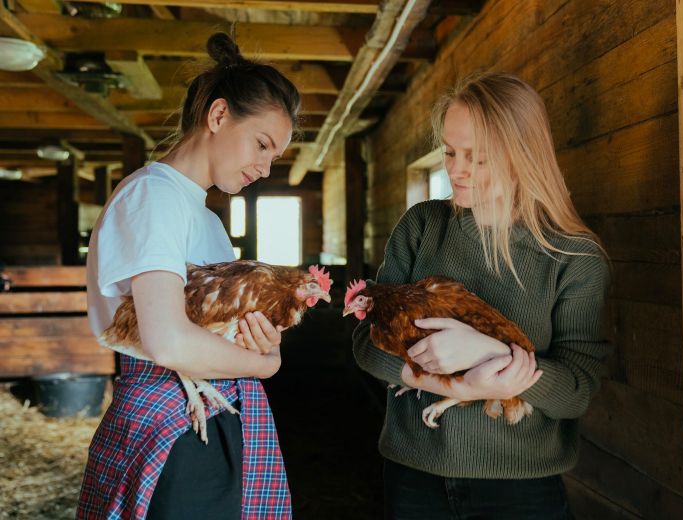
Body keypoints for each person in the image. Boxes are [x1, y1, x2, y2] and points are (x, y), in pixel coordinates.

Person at [352, 72, 611, 519]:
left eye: (478, 157)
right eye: (450, 152)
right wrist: (456, 384)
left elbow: (576, 392)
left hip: (520, 491)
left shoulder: (573, 257)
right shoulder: (422, 226)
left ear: (522, 156)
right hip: (414, 477)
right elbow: (367, 347)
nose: (456, 169)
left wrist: (490, 353)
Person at [79, 33, 299, 519]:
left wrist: (261, 342)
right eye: (262, 144)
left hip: (210, 413)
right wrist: (265, 365)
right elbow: (169, 342)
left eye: (274, 156)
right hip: (172, 418)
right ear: (218, 116)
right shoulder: (153, 197)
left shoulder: (207, 221)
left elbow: (214, 334)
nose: (265, 168)